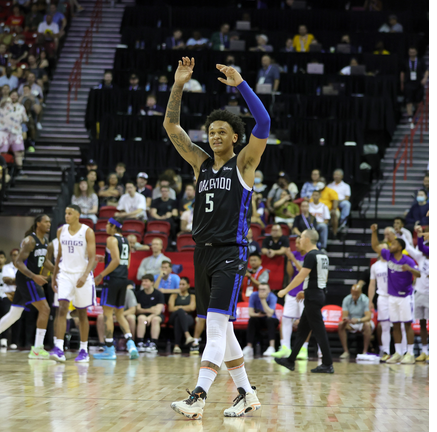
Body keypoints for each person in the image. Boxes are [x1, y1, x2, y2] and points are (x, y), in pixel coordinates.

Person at [165, 57, 266, 418]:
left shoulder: (244, 164)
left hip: (230, 253)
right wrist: (178, 85)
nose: (215, 136)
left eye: (222, 132)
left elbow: (264, 123)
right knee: (224, 330)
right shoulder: (200, 163)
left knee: (215, 329)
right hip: (202, 253)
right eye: (211, 132)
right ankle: (247, 394)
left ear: (235, 137)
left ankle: (198, 396)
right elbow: (171, 125)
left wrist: (241, 84)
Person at [0, 214, 53, 359]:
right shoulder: (30, 240)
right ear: (38, 223)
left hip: (29, 279)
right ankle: (37, 349)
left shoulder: (45, 240)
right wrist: (34, 276)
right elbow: (18, 262)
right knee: (45, 309)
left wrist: (58, 270)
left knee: (14, 314)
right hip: (27, 279)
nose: (49, 224)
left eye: (49, 222)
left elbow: (44, 261)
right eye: (46, 222)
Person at [275, 230, 334, 373]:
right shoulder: (323, 255)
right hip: (316, 293)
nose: (299, 240)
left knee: (319, 331)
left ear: (307, 239)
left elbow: (300, 276)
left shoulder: (311, 255)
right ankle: (290, 360)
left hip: (313, 296)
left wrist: (285, 290)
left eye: (301, 237)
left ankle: (327, 364)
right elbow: (322, 278)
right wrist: (307, 291)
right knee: (302, 329)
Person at [51, 205, 98, 363]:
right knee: (62, 308)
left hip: (81, 274)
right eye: (66, 213)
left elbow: (92, 257)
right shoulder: (61, 231)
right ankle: (58, 348)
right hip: (65, 274)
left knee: (82, 313)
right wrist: (54, 276)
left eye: (70, 213)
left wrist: (84, 276)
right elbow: (59, 255)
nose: (67, 216)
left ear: (78, 215)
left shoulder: (87, 232)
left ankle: (83, 350)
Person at [370, 224, 421, 364]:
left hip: (405, 296)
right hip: (392, 296)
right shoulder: (389, 256)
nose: (390, 246)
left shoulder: (408, 260)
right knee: (396, 324)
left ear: (399, 247)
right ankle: (398, 352)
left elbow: (419, 274)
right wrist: (374, 232)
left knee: (407, 325)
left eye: (393, 244)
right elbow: (375, 246)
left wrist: (409, 269)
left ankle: (410, 353)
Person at [92, 218, 139, 360]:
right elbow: (126, 263)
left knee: (107, 314)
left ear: (113, 226)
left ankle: (109, 349)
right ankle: (131, 344)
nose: (106, 227)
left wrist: (101, 275)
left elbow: (116, 260)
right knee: (119, 314)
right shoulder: (126, 241)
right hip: (123, 279)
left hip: (111, 280)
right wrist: (106, 259)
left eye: (108, 224)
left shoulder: (111, 239)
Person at [272, 244, 311, 360]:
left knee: (305, 320)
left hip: (305, 292)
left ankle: (304, 349)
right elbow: (290, 273)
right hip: (292, 292)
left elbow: (303, 274)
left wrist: (292, 258)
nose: (296, 245)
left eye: (299, 243)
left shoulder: (310, 256)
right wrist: (289, 258)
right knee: (285, 319)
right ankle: (285, 347)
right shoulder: (293, 255)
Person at [368, 247, 392, 361]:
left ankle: (402, 352)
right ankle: (386, 351)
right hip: (382, 297)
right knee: (384, 326)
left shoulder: (393, 262)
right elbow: (372, 284)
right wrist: (370, 300)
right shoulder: (375, 266)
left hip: (395, 296)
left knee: (400, 326)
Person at [242, 286, 279, 358]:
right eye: (260, 289)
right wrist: (258, 315)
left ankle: (272, 347)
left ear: (269, 290)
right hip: (259, 317)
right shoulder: (254, 295)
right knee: (252, 320)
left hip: (271, 319)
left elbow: (270, 314)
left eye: (264, 289)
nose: (261, 291)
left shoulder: (272, 297)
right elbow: (250, 313)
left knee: (270, 320)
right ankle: (249, 347)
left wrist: (263, 300)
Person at [339, 282, 373, 358]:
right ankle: (346, 351)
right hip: (351, 322)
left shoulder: (365, 300)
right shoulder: (346, 299)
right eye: (353, 294)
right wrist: (347, 320)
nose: (354, 296)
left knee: (367, 325)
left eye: (356, 295)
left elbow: (368, 317)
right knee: (341, 324)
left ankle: (365, 351)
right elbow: (344, 315)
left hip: (362, 322)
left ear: (360, 293)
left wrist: (358, 320)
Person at [135, 275, 164, 352]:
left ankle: (153, 344)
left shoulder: (158, 294)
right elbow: (138, 310)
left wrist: (150, 317)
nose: (143, 283)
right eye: (143, 281)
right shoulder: (139, 294)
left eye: (146, 281)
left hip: (156, 316)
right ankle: (140, 343)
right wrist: (151, 309)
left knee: (155, 320)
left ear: (152, 282)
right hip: (143, 315)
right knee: (141, 318)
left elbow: (158, 311)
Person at [413, 225, 429, 362]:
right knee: (422, 323)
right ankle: (424, 351)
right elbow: (421, 248)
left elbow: (423, 248)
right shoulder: (422, 258)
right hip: (420, 292)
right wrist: (419, 235)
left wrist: (420, 236)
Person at [401, 46, 428, 124]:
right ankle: (410, 117)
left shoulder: (420, 61)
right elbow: (402, 72)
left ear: (416, 52)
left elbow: (426, 70)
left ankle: (416, 115)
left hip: (418, 83)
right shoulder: (405, 61)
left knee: (417, 101)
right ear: (408, 53)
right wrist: (402, 82)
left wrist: (425, 78)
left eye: (413, 52)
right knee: (408, 101)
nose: (412, 53)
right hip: (408, 83)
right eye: (410, 52)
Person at [168, 277, 196, 353]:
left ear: (188, 285)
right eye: (180, 284)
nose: (181, 286)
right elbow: (170, 308)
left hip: (188, 318)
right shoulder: (174, 295)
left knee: (178, 319)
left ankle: (176, 346)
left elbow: (192, 308)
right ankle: (187, 335)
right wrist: (182, 309)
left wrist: (178, 307)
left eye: (183, 284)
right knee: (180, 312)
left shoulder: (192, 296)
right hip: (173, 317)